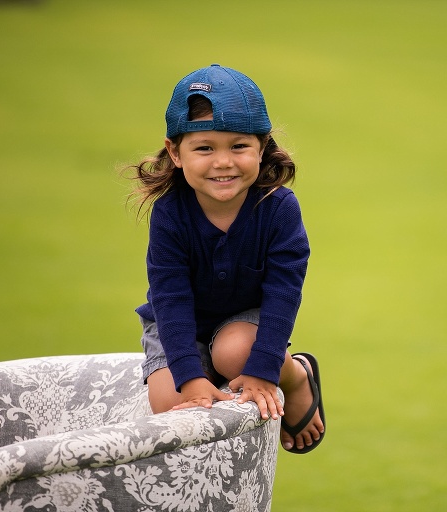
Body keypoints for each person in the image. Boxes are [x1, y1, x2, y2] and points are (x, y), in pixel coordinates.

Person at [127, 64, 325, 454]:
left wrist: (264, 370)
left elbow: (284, 291)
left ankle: (298, 375)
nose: (223, 162)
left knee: (235, 353)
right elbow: (170, 297)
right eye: (204, 148)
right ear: (175, 152)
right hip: (180, 321)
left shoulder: (279, 207)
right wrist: (190, 376)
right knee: (170, 406)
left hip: (243, 322)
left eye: (238, 146)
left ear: (261, 147)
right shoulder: (170, 213)